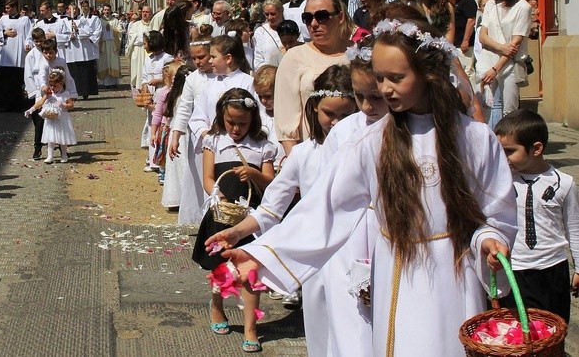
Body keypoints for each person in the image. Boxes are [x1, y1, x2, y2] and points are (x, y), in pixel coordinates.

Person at [219, 18, 517, 356]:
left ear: (428, 75)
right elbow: (325, 208)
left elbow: (496, 210)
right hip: (399, 272)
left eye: (397, 78)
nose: (386, 88)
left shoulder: (475, 138)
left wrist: (491, 239)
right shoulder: (373, 141)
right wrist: (262, 254)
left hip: (457, 271)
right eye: (380, 78)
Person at [206, 65, 358, 355]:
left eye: (346, 115)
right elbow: (271, 209)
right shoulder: (302, 155)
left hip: (358, 253)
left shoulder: (369, 148)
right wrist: (237, 232)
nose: (337, 123)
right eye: (329, 113)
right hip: (316, 256)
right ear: (314, 108)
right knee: (323, 331)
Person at [191, 88, 277, 354]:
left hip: (251, 216)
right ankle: (217, 305)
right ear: (221, 117)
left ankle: (251, 327)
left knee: (250, 271)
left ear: (253, 121)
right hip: (221, 213)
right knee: (221, 267)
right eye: (231, 122)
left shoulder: (263, 147)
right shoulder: (214, 142)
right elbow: (207, 178)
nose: (236, 128)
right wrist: (218, 197)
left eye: (243, 123)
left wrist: (254, 174)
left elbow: (272, 185)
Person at [494, 110, 579, 324]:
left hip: (553, 268)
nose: (503, 158)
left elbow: (574, 227)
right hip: (516, 269)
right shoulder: (501, 181)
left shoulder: (564, 183)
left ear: (536, 149)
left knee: (554, 327)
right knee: (518, 330)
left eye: (510, 151)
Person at [274, 0, 353, 155]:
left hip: (355, 151)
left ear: (340, 17)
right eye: (307, 18)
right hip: (314, 154)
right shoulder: (294, 57)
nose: (314, 23)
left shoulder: (358, 54)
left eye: (322, 16)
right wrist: (300, 165)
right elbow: (286, 121)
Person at [169, 34, 216, 225]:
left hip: (222, 133)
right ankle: (200, 217)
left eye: (201, 57)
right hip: (198, 137)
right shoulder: (193, 79)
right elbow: (184, 108)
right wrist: (176, 135)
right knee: (198, 176)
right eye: (194, 58)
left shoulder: (222, 75)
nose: (197, 62)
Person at [188, 34, 255, 154]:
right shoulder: (209, 86)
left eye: (213, 57)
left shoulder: (248, 82)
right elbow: (198, 117)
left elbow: (255, 115)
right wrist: (208, 136)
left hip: (243, 146)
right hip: (214, 146)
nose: (210, 61)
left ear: (228, 58)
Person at [475, 0, 531, 126]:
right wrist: (501, 47)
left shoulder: (523, 7)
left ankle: (508, 144)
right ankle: (487, 142)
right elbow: (483, 36)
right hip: (488, 61)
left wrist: (495, 69)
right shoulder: (490, 4)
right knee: (484, 107)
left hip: (510, 65)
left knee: (509, 111)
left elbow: (515, 44)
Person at [158, 63, 195, 204]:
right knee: (183, 165)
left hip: (180, 133)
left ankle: (180, 197)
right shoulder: (180, 98)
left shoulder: (175, 96)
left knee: (180, 166)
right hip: (183, 134)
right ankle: (181, 197)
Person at [25, 67, 76, 164]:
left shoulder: (66, 94)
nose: (52, 88)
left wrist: (63, 105)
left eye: (55, 86)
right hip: (51, 119)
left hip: (62, 118)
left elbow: (71, 105)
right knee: (50, 138)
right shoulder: (49, 94)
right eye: (51, 85)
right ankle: (50, 156)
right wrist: (31, 110)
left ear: (61, 84)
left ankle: (64, 155)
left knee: (62, 137)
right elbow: (40, 103)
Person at [140, 31, 174, 172]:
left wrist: (159, 80)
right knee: (151, 124)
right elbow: (144, 76)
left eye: (146, 42)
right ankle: (152, 159)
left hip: (163, 92)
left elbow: (171, 75)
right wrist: (144, 87)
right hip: (151, 94)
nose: (144, 45)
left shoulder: (167, 58)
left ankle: (161, 160)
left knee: (161, 125)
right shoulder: (148, 59)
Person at [149, 60, 186, 185]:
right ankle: (162, 170)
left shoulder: (185, 93)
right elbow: (158, 113)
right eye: (174, 76)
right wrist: (153, 132)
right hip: (166, 126)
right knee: (163, 149)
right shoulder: (164, 92)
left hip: (179, 127)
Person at [0, 0, 33, 112]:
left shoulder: (25, 20)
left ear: (15, 7)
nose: (6, 10)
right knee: (6, 81)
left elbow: (29, 35)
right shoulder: (3, 18)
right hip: (7, 53)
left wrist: (27, 44)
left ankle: (18, 104)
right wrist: (5, 34)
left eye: (8, 8)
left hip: (19, 53)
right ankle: (7, 105)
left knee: (17, 81)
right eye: (5, 8)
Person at [252, 65, 285, 173]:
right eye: (260, 96)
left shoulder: (289, 116)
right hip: (264, 170)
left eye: (268, 96)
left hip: (284, 167)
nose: (263, 101)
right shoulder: (258, 117)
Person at [66, 1, 101, 100]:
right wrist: (69, 36)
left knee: (85, 71)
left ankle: (86, 92)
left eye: (86, 6)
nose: (85, 8)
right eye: (83, 6)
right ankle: (74, 93)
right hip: (72, 50)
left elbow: (90, 32)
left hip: (85, 49)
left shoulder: (86, 20)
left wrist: (78, 30)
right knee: (74, 73)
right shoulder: (65, 21)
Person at [23, 28, 47, 160]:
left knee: (53, 120)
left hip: (49, 89)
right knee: (38, 121)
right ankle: (38, 147)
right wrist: (34, 92)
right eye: (36, 41)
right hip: (37, 90)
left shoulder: (49, 52)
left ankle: (57, 145)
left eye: (41, 40)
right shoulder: (30, 55)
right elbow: (28, 75)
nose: (38, 43)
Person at [451, 0, 478, 84]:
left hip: (464, 44)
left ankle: (472, 96)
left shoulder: (468, 1)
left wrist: (465, 40)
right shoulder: (457, 2)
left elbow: (471, 21)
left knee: (467, 71)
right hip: (455, 43)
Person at [252, 0, 285, 71]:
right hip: (269, 76)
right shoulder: (260, 32)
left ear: (281, 11)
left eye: (273, 14)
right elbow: (258, 60)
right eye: (267, 14)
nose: (270, 17)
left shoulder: (291, 27)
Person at [126, 4, 152, 91]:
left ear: (151, 13)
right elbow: (133, 38)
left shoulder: (152, 25)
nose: (145, 14)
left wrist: (142, 37)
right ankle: (139, 89)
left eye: (147, 12)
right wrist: (145, 38)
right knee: (138, 72)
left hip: (149, 52)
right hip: (138, 51)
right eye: (143, 12)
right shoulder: (136, 25)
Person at [97, 4, 121, 88]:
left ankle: (113, 83)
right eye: (105, 10)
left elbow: (120, 31)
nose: (106, 11)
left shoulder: (115, 20)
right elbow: (97, 32)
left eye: (108, 10)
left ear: (110, 10)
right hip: (103, 45)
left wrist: (111, 29)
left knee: (113, 62)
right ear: (103, 11)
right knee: (103, 63)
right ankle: (103, 82)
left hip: (113, 44)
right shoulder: (99, 20)